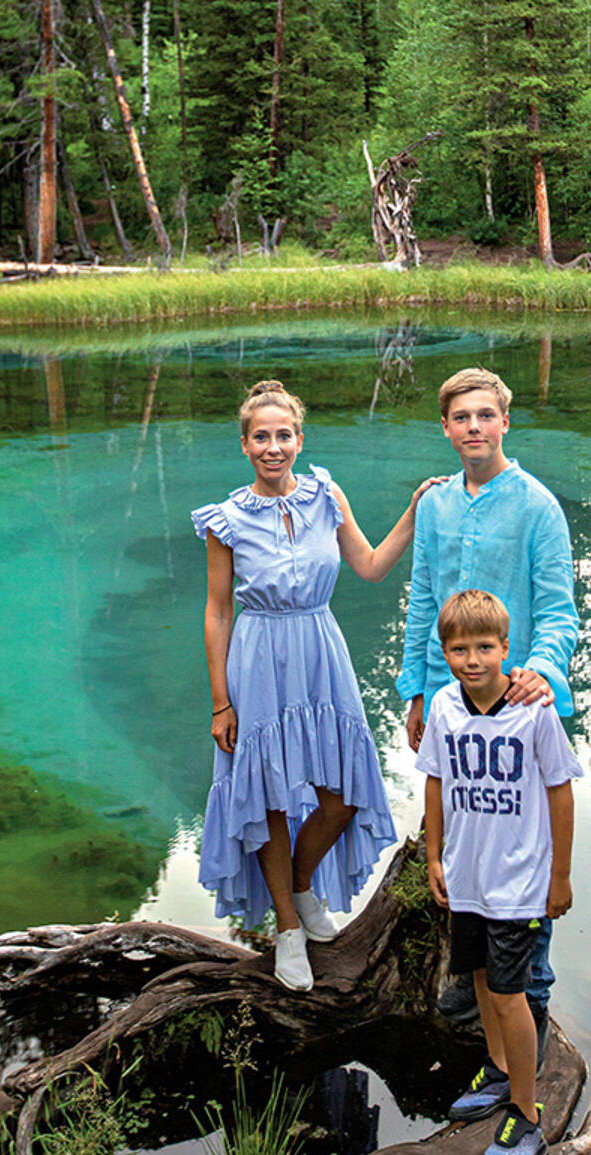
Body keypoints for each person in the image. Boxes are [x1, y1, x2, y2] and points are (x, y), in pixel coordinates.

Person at [193, 379, 443, 992]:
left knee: (343, 793)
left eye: (283, 435)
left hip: (321, 651)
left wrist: (412, 513)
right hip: (258, 658)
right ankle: (287, 929)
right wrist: (221, 701)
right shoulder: (225, 522)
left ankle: (302, 888)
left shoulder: (327, 496)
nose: (273, 446)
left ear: (299, 440)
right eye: (261, 437)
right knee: (269, 798)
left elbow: (371, 566)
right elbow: (218, 612)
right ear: (245, 445)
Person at [396, 366, 578, 1042]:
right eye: (461, 418)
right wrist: (415, 688)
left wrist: (543, 670)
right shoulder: (437, 505)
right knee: (468, 823)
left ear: (505, 421)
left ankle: (533, 998)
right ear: (445, 428)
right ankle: (471, 984)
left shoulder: (536, 506)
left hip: (519, 706)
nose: (474, 427)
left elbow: (560, 610)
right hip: (452, 704)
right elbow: (422, 601)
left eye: (485, 416)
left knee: (526, 844)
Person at [419, 590, 582, 1155]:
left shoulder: (533, 712)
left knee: (513, 993)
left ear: (505, 648)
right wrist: (434, 857)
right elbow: (435, 780)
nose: (473, 660)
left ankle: (526, 1112)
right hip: (468, 879)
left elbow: (561, 791)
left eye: (484, 647)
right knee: (483, 978)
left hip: (519, 887)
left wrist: (559, 875)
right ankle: (496, 1068)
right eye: (459, 649)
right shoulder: (443, 707)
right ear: (445, 653)